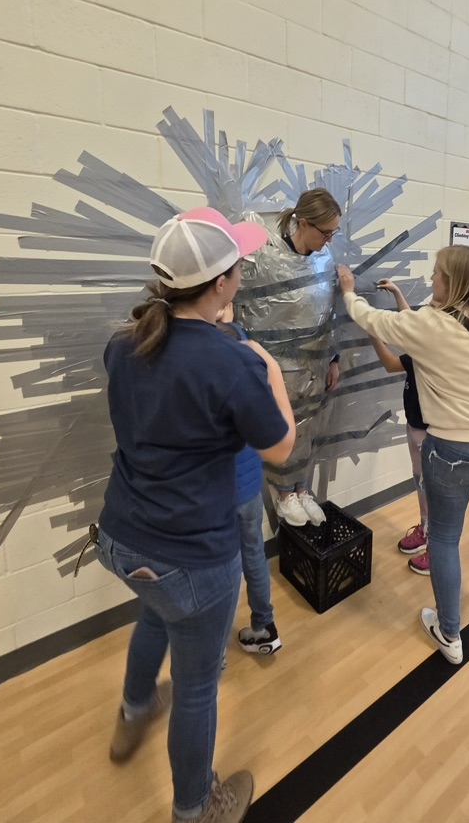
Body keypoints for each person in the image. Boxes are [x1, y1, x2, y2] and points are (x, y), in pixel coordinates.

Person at [95, 207, 295, 823]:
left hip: (122, 542)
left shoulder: (123, 344)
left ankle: (132, 711)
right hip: (193, 561)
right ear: (221, 284)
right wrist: (274, 373)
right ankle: (195, 810)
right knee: (197, 688)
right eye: (237, 264)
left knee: (154, 615)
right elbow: (281, 448)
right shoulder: (233, 361)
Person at [337, 245, 469, 666]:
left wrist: (348, 291)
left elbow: (370, 319)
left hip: (452, 450)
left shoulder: (426, 325)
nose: (432, 280)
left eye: (437, 274)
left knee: (444, 539)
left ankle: (450, 634)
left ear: (453, 282)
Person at [236, 188, 342, 528]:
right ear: (303, 223)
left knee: (309, 426)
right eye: (325, 232)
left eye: (333, 233)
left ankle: (300, 487)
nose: (328, 240)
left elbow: (329, 309)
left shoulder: (323, 259)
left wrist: (334, 358)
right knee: (286, 425)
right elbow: (244, 311)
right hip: (279, 363)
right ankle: (284, 492)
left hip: (316, 361)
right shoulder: (265, 258)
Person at [216, 307, 282, 656]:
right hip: (248, 485)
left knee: (221, 567)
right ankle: (264, 627)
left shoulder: (200, 351)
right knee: (254, 552)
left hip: (217, 492)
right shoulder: (244, 341)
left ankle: (215, 650)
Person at [367, 278, 430, 575]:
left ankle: (436, 549)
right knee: (420, 482)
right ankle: (425, 530)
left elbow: (391, 363)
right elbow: (411, 326)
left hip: (433, 432)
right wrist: (398, 294)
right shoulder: (422, 344)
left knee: (434, 490)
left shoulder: (429, 352)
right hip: (415, 425)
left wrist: (373, 334)